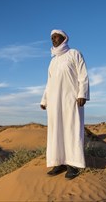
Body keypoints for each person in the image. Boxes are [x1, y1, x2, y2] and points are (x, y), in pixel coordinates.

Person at [40, 29, 90, 180]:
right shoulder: (53, 61)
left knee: (71, 129)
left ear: (64, 38)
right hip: (54, 102)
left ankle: (73, 165)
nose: (54, 40)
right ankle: (58, 162)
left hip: (71, 99)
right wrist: (44, 100)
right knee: (56, 131)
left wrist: (82, 94)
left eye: (56, 37)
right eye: (52, 38)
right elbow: (49, 83)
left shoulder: (74, 53)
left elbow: (83, 75)